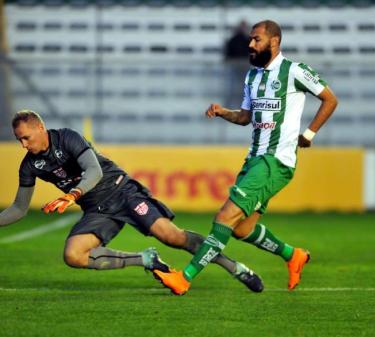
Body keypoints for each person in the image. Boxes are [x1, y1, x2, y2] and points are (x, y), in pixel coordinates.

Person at [155, 20, 338, 295]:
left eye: (256, 40)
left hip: (275, 161)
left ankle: (186, 277)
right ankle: (293, 255)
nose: (250, 45)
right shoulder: (252, 76)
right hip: (254, 159)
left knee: (225, 216)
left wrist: (309, 134)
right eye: (250, 40)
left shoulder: (294, 71)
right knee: (241, 229)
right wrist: (222, 111)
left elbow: (330, 99)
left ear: (274, 41)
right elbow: (245, 117)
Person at [0, 110, 263, 292]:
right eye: (19, 139)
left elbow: (95, 171)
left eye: (26, 137)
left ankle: (235, 267)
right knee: (73, 255)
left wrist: (72, 195)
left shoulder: (67, 137)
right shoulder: (30, 165)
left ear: (40, 129)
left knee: (172, 236)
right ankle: (146, 259)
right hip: (97, 209)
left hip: (122, 192)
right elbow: (19, 208)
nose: (23, 145)